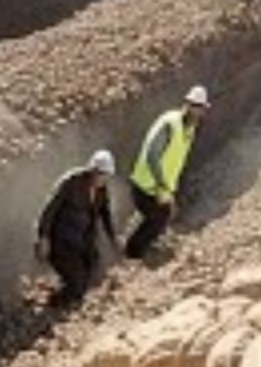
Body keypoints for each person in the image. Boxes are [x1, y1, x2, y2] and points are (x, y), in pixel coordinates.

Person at [125, 85, 212, 259]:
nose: (197, 111)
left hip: (160, 186)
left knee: (162, 215)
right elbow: (152, 155)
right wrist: (161, 184)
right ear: (186, 104)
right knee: (158, 217)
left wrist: (168, 187)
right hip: (146, 185)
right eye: (194, 106)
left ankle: (140, 245)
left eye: (200, 108)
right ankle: (133, 253)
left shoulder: (190, 128)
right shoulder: (170, 124)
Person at [36, 149, 119, 306]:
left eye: (106, 176)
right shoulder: (71, 183)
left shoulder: (101, 190)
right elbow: (49, 210)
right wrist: (43, 237)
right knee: (77, 286)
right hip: (61, 241)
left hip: (82, 240)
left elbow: (105, 213)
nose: (102, 179)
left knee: (93, 267)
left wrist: (113, 238)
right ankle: (54, 302)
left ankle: (70, 290)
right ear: (92, 170)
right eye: (99, 174)